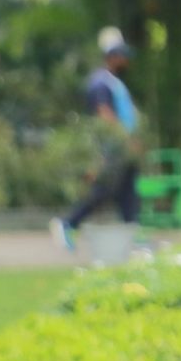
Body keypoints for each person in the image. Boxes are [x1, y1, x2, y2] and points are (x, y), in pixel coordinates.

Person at [51, 38, 141, 249]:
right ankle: (68, 223)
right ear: (113, 57)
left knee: (128, 188)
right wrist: (125, 139)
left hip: (122, 146)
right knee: (105, 189)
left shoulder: (113, 81)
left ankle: (133, 233)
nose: (126, 61)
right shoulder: (101, 81)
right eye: (123, 56)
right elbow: (104, 113)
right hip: (112, 146)